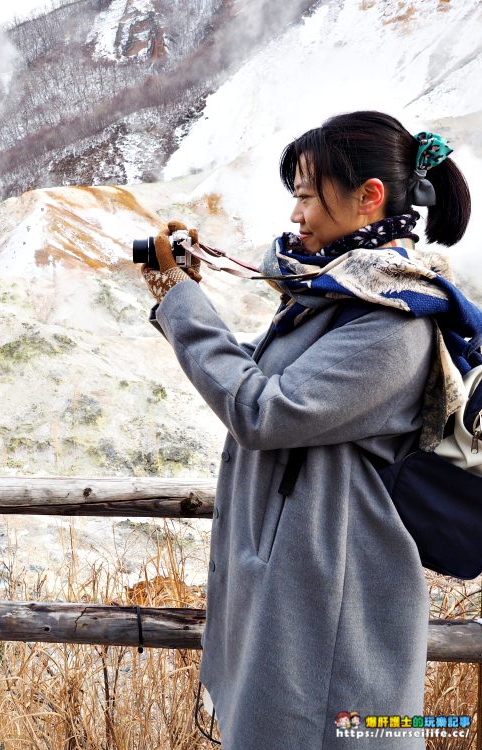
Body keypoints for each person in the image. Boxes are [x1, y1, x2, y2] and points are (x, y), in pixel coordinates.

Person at [140, 111, 472, 749]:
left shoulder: (393, 325)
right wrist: (180, 295)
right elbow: (268, 378)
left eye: (305, 195)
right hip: (298, 586)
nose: (295, 215)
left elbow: (263, 411)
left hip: (331, 603)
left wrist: (182, 307)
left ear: (368, 198)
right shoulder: (337, 300)